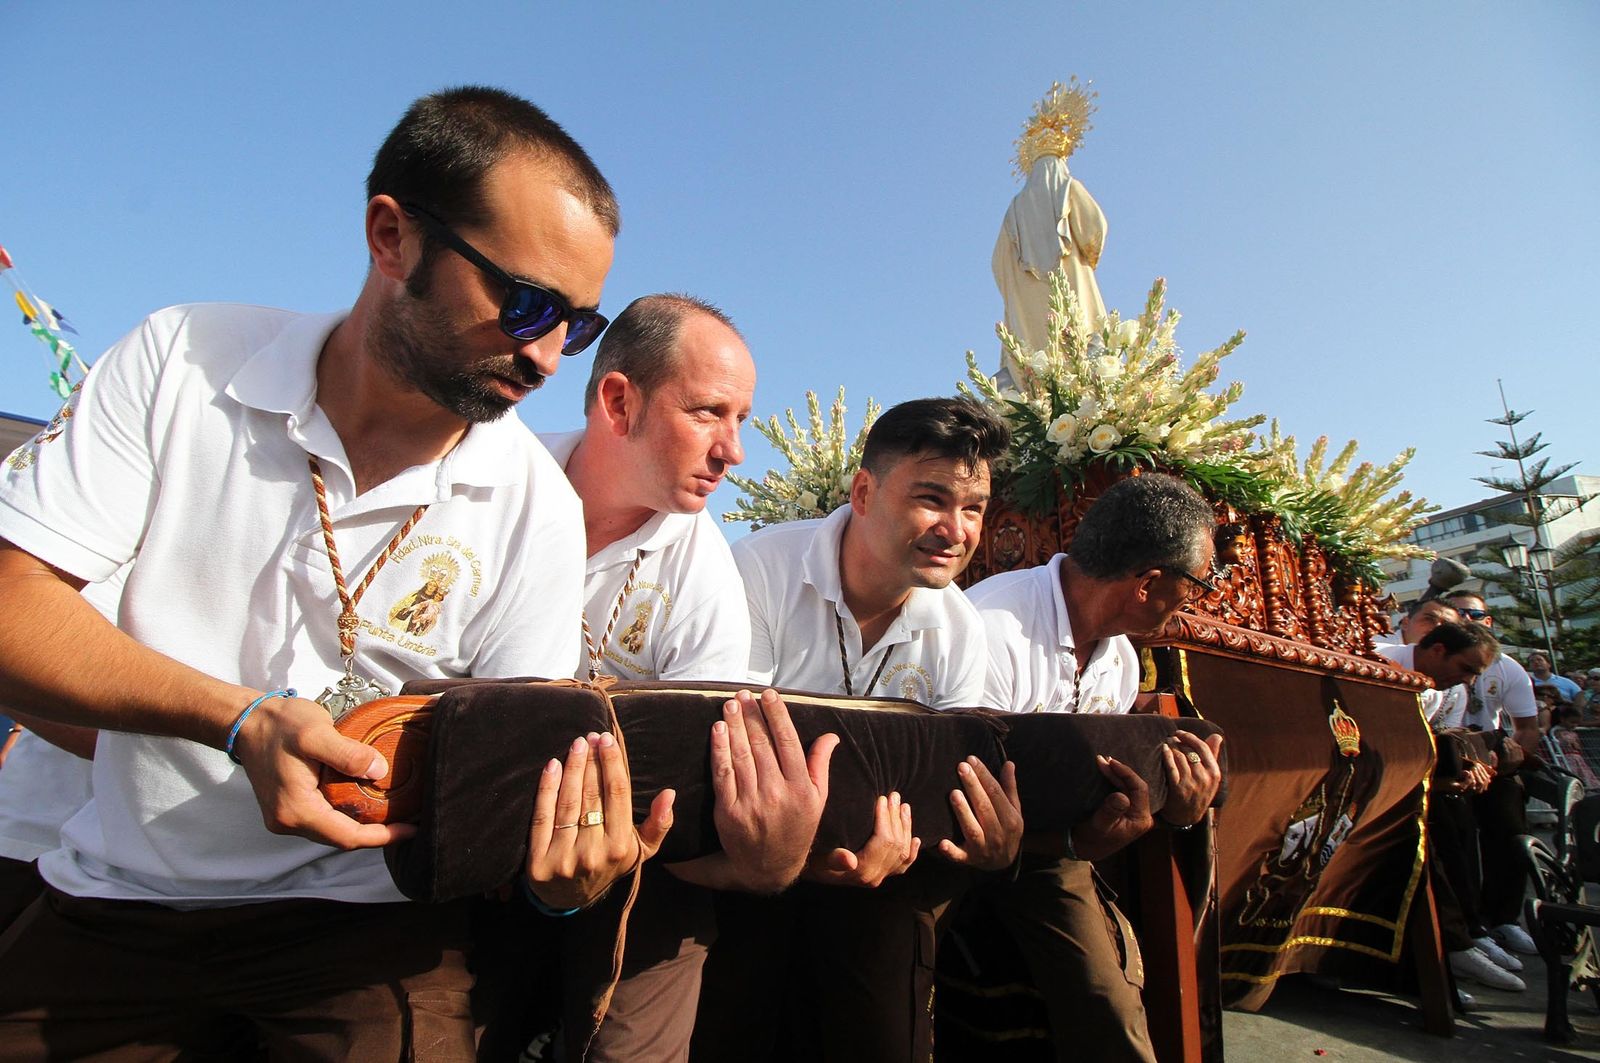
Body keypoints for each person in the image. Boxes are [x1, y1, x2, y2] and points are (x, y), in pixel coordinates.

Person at [0, 87, 670, 1060]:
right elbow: (14, 602)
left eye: (578, 320)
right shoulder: (180, 360)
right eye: (524, 304)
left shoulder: (534, 505)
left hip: (371, 938)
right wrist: (237, 719)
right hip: (123, 899)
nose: (546, 358)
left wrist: (562, 880)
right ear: (391, 237)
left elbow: (510, 782)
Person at [535, 292, 832, 1062]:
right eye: (708, 413)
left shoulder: (705, 573)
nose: (734, 451)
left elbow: (702, 783)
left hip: (645, 866)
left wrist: (768, 858)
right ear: (618, 400)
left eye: (742, 419)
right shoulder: (501, 485)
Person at [706, 396, 1024, 1063]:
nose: (955, 529)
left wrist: (984, 838)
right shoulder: (759, 572)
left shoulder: (962, 629)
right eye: (932, 499)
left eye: (973, 508)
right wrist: (800, 857)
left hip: (883, 872)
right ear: (863, 490)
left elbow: (947, 775)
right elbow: (736, 744)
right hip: (746, 861)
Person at [966, 473, 1226, 1063]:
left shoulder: (1121, 662)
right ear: (1150, 582)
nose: (1198, 598)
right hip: (953, 847)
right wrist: (1069, 838)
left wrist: (1176, 812)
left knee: (1108, 1000)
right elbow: (956, 791)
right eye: (1200, 582)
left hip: (1046, 860)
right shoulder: (991, 628)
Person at [1374, 616, 1527, 993]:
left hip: (1408, 775)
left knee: (1478, 801)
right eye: (1464, 669)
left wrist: (1467, 766)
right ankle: (1451, 943)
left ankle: (1471, 931)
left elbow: (1439, 737)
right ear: (1438, 650)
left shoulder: (1451, 687)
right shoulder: (1377, 658)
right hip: (1375, 775)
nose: (1467, 681)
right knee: (1434, 818)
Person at [1440, 592, 1543, 959]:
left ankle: (1505, 918)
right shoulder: (1437, 659)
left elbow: (1527, 726)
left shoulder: (1508, 668)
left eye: (1476, 613)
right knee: (1457, 833)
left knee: (1509, 829)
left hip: (1494, 753)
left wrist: (1510, 760)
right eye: (1460, 613)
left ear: (1489, 621)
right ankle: (1470, 925)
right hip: (1451, 753)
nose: (1468, 618)